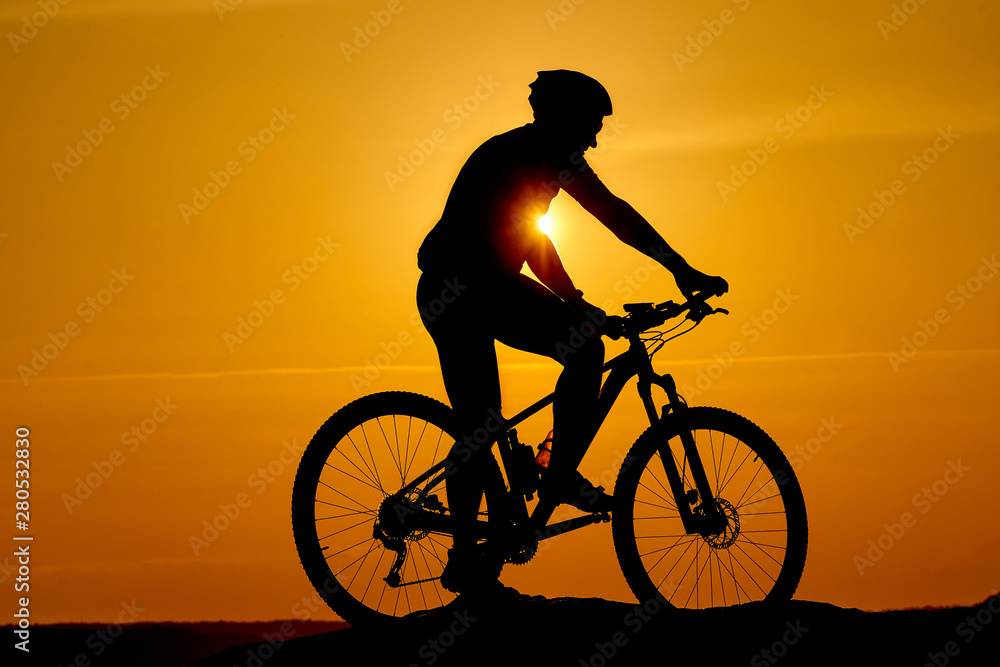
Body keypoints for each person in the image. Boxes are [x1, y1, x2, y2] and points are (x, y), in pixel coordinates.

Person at [415, 70, 728, 593]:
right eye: (591, 124)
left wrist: (680, 269)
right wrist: (577, 301)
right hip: (458, 291)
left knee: (569, 359)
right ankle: (474, 546)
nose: (595, 138)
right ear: (562, 118)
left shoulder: (556, 158)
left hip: (492, 286)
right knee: (486, 420)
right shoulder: (516, 156)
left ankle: (550, 473)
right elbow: (528, 236)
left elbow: (614, 213)